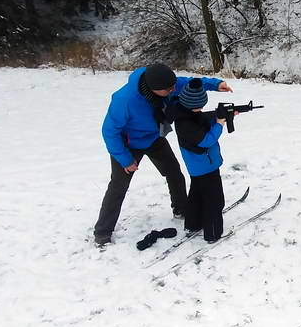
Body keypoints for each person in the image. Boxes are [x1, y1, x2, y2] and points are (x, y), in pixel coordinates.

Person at [94, 64, 231, 245]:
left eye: (173, 86)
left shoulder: (165, 83)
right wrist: (125, 159)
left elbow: (188, 83)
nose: (173, 90)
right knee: (118, 186)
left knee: (174, 172)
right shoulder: (124, 100)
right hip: (127, 145)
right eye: (169, 89)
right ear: (154, 88)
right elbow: (109, 132)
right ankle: (102, 232)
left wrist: (216, 84)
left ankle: (181, 209)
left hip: (153, 139)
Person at [169, 79, 237, 243]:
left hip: (198, 167)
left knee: (197, 196)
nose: (201, 110)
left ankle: (192, 225)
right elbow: (206, 140)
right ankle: (213, 233)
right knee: (214, 200)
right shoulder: (186, 123)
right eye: (199, 107)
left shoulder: (185, 113)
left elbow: (201, 120)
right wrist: (219, 124)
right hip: (206, 166)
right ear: (191, 104)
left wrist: (220, 116)